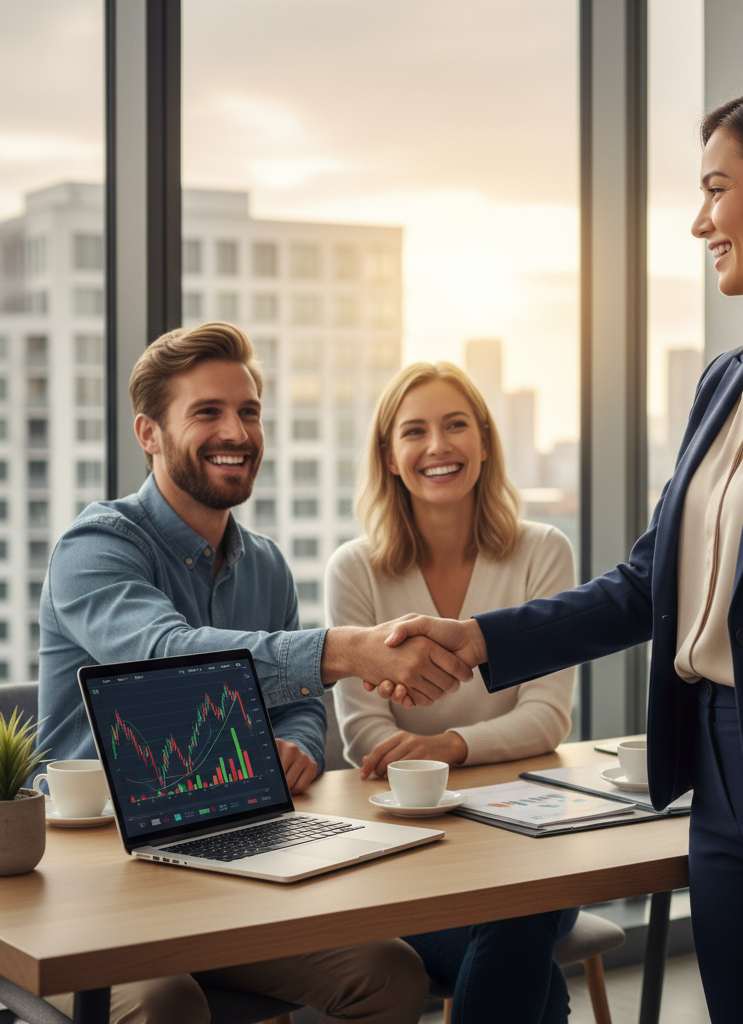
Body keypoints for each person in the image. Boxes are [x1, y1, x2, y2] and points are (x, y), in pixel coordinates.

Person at [376, 80, 743, 1023]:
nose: (701, 223)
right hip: (721, 777)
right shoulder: (728, 380)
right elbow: (648, 583)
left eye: (714, 189)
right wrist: (475, 640)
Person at [36, 322, 472, 1023]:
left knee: (389, 972)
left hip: (229, 856)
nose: (235, 430)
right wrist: (344, 650)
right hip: (91, 881)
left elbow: (296, 700)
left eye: (248, 411)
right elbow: (165, 654)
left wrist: (299, 740)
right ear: (149, 434)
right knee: (168, 1001)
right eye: (206, 412)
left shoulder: (263, 562)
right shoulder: (94, 548)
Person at [326, 361, 579, 1024]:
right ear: (389, 457)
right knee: (524, 955)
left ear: (486, 442)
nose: (437, 446)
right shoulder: (354, 569)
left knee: (517, 913)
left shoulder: (543, 552)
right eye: (415, 431)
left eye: (455, 425)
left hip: (529, 836)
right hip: (408, 841)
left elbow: (547, 718)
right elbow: (364, 735)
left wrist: (444, 747)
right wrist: (432, 768)